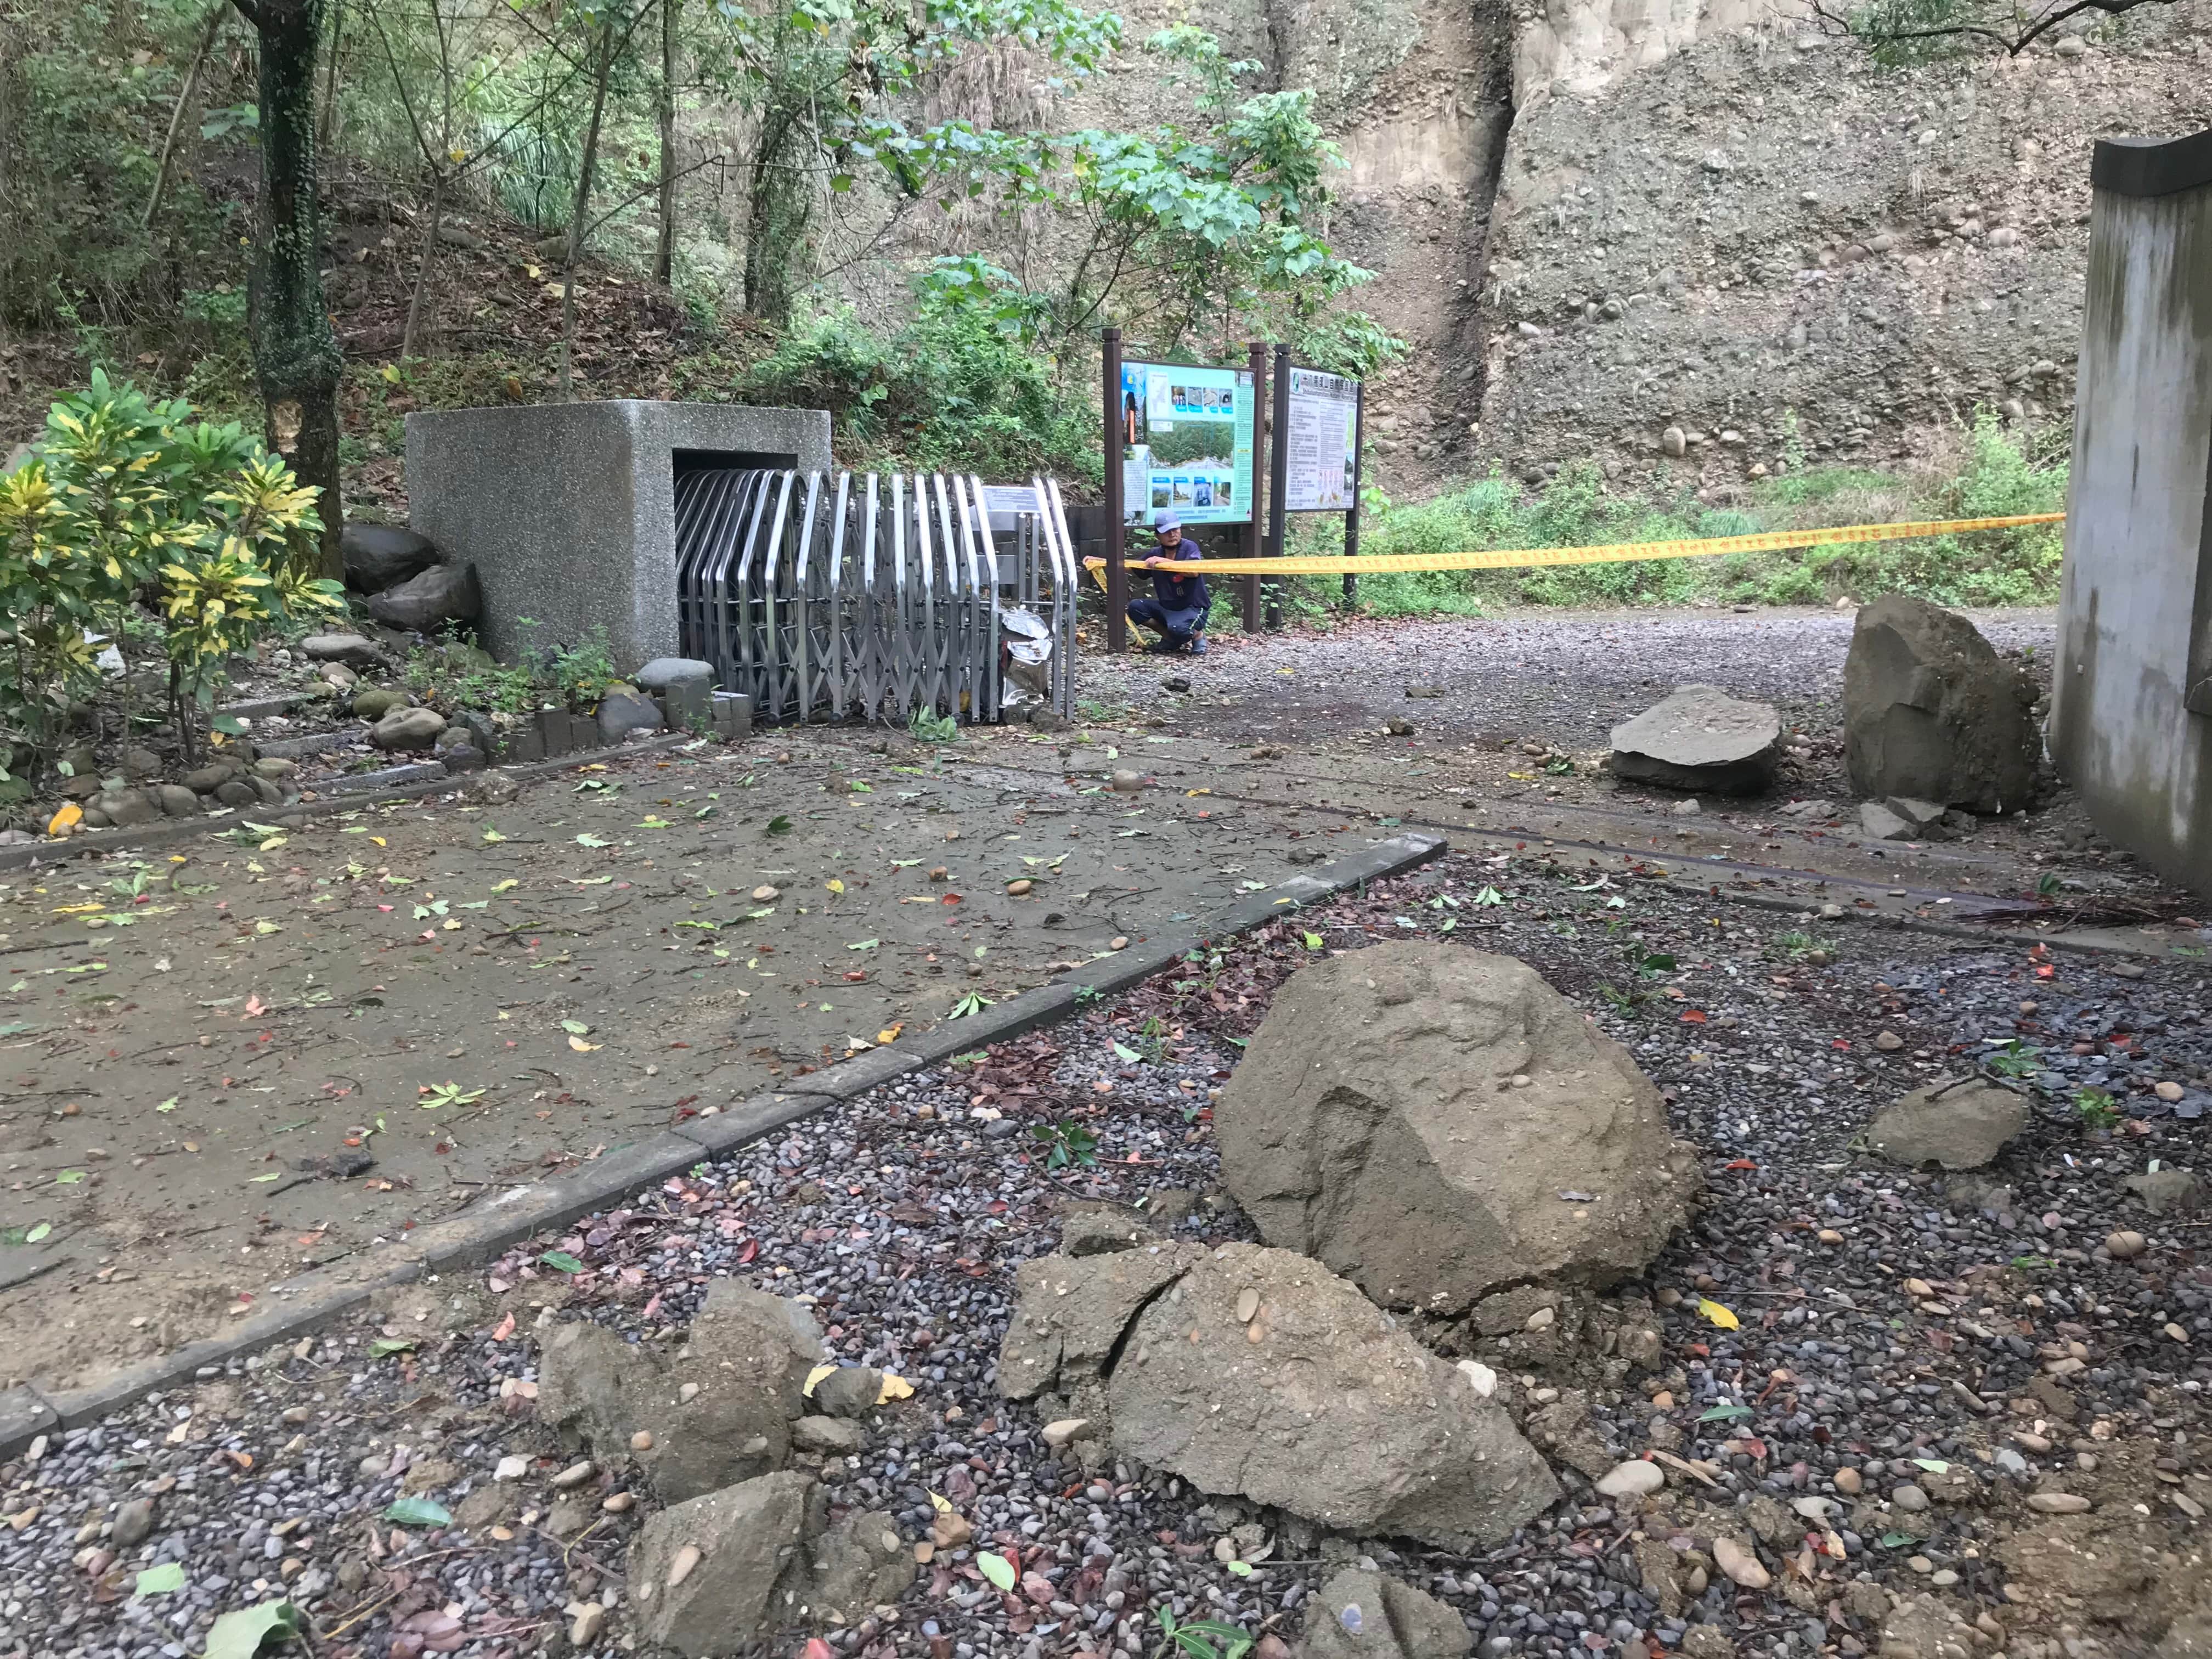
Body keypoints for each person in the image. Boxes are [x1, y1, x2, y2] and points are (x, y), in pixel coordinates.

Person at [1126, 510, 1209, 655]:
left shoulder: (1190, 547)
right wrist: (1101, 563)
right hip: (1168, 608)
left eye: (1175, 529)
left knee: (1179, 629)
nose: (1172, 534)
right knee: (1135, 607)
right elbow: (1133, 566)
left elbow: (1193, 572)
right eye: (1167, 532)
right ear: (1158, 536)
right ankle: (1169, 637)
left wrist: (1162, 562)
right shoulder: (1155, 553)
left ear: (1181, 530)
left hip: (1193, 607)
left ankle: (1198, 635)